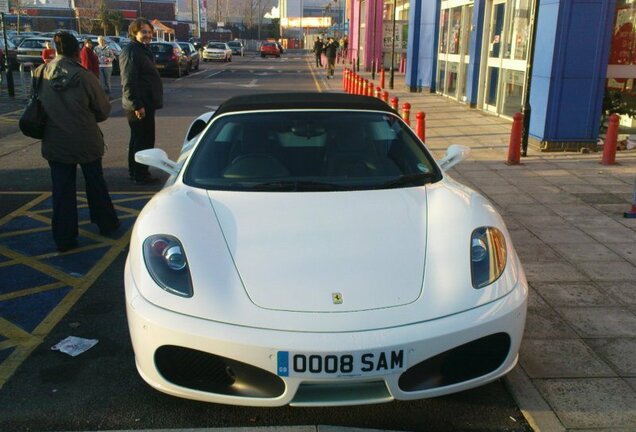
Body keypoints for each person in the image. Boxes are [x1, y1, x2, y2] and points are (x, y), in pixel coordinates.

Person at [34, 31, 119, 252]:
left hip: (55, 140)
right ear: (76, 52)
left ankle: (64, 237)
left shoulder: (40, 72)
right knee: (95, 183)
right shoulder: (84, 77)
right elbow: (102, 109)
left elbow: (37, 104)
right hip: (85, 139)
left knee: (62, 190)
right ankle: (106, 223)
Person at [119, 18, 163, 184]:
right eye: (143, 32)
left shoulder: (142, 50)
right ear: (134, 33)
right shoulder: (131, 51)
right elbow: (129, 81)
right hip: (139, 105)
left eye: (149, 32)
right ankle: (140, 174)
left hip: (145, 103)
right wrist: (137, 105)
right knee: (142, 140)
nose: (147, 35)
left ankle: (138, 172)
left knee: (142, 139)